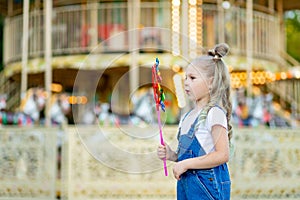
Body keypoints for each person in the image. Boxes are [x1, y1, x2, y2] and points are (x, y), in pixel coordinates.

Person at [157, 43, 232, 200]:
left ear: (211, 83)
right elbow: (186, 156)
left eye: (192, 78)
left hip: (206, 188)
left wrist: (185, 165)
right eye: (185, 77)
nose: (186, 82)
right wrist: (172, 155)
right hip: (186, 187)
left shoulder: (214, 114)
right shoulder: (187, 117)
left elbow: (222, 154)